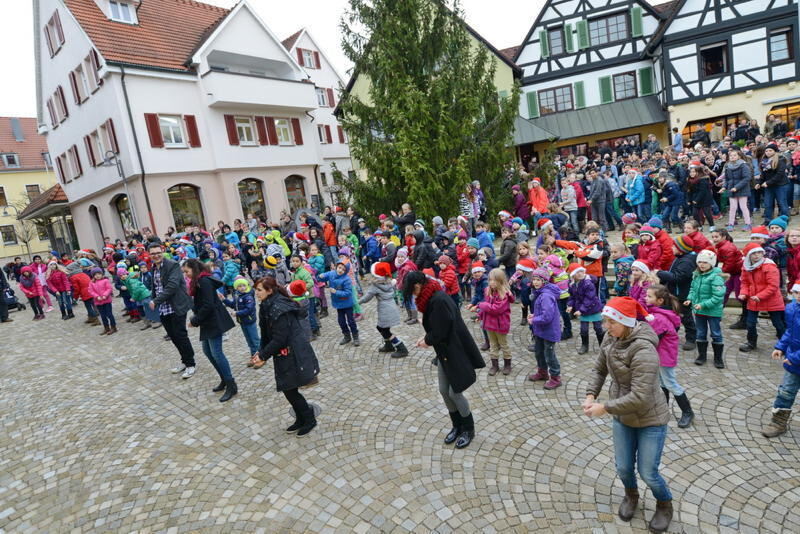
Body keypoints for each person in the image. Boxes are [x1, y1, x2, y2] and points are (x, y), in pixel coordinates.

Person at [584, 296, 673, 533]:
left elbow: (641, 396)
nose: (606, 327)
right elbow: (600, 368)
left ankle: (664, 504)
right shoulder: (611, 337)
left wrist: (605, 407)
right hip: (623, 416)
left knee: (648, 473)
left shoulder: (644, 349)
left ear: (626, 322)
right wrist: (591, 394)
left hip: (650, 419)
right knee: (623, 467)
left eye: (611, 322)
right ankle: (631, 496)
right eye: (605, 321)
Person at [404, 270, 484, 449]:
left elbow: (442, 330)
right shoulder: (429, 297)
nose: (412, 295)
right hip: (444, 352)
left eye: (412, 290)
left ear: (418, 285)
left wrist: (426, 340)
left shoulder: (438, 299)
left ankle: (468, 429)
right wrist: (426, 336)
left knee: (454, 392)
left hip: (455, 351)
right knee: (443, 390)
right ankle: (457, 426)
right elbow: (436, 327)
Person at [254, 276, 321, 436]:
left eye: (259, 290)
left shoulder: (278, 307)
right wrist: (260, 351)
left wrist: (263, 355)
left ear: (269, 291)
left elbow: (279, 338)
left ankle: (309, 419)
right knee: (288, 388)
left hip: (293, 352)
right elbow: (266, 332)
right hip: (284, 352)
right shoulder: (267, 304)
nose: (256, 293)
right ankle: (300, 418)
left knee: (290, 388)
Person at [182, 259, 238, 402]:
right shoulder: (198, 281)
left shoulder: (204, 281)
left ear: (194, 269)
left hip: (214, 321)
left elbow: (208, 305)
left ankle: (231, 384)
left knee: (217, 353)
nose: (186, 275)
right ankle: (224, 379)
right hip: (208, 321)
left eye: (187, 271)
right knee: (208, 352)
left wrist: (194, 320)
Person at [645, 285, 694, 428]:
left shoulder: (659, 318)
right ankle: (663, 408)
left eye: (649, 296)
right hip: (660, 355)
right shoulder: (659, 313)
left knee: (670, 383)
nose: (645, 298)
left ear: (659, 301)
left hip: (665, 356)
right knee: (661, 383)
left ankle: (688, 412)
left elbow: (653, 338)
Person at [148, 243, 197, 379]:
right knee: (173, 336)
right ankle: (184, 361)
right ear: (149, 255)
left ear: (162, 251)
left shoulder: (172, 265)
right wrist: (153, 299)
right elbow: (155, 287)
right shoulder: (153, 268)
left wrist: (155, 301)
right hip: (163, 307)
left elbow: (172, 286)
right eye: (153, 253)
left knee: (180, 335)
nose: (156, 255)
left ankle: (191, 364)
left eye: (158, 252)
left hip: (176, 305)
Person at [763, 280, 800, 437]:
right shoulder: (792, 308)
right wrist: (781, 347)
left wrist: (794, 358)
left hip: (794, 359)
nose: (798, 296)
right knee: (786, 391)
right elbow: (789, 332)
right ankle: (778, 422)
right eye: (796, 292)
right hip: (793, 361)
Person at [739, 242, 786, 352]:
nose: (757, 255)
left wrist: (760, 296)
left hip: (771, 299)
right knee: (750, 323)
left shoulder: (769, 266)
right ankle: (751, 342)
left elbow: (773, 286)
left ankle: (784, 345)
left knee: (778, 323)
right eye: (754, 253)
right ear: (749, 255)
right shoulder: (746, 267)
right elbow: (745, 282)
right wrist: (744, 293)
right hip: (753, 299)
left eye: (759, 252)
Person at [685, 250, 726, 368]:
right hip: (699, 310)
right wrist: (690, 299)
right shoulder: (696, 274)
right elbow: (693, 289)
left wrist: (703, 304)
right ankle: (701, 355)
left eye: (705, 262)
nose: (702, 265)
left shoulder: (716, 277)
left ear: (712, 264)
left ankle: (718, 358)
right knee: (701, 333)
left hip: (713, 311)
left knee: (716, 333)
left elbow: (718, 296)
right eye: (700, 262)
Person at [359, 262, 408, 358]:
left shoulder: (375, 286)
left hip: (385, 310)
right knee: (380, 327)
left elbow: (366, 298)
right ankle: (388, 345)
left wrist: (357, 302)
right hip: (392, 308)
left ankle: (402, 348)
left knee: (385, 331)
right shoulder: (390, 282)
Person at [528, 268, 563, 389]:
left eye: (538, 280)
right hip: (541, 330)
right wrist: (535, 316)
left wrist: (534, 320)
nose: (535, 282)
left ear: (545, 281)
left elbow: (547, 316)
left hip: (549, 331)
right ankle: (542, 372)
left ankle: (555, 377)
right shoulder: (540, 292)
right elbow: (543, 312)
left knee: (549, 355)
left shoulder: (546, 296)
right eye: (534, 279)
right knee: (539, 352)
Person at [478, 268, 514, 376]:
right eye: (490, 280)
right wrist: (480, 315)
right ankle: (495, 365)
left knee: (503, 345)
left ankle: (507, 364)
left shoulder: (504, 294)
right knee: (493, 345)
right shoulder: (488, 291)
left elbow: (496, 309)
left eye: (495, 280)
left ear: (501, 281)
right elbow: (487, 307)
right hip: (489, 324)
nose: (492, 283)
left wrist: (481, 305)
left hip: (500, 324)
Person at [319, 260, 359, 346]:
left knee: (351, 321)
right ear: (337, 267)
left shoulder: (346, 279)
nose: (340, 270)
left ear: (346, 271)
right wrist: (321, 276)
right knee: (341, 321)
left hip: (347, 304)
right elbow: (323, 277)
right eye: (339, 267)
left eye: (343, 269)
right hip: (338, 304)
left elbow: (348, 292)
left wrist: (336, 292)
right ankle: (347, 336)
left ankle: (355, 336)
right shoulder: (332, 273)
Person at [567, 264, 604, 355]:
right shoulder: (572, 285)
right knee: (583, 329)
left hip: (593, 308)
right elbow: (572, 297)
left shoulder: (588, 283)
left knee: (598, 328)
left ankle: (602, 346)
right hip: (582, 310)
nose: (580, 274)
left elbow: (589, 298)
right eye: (577, 272)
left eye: (581, 271)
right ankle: (584, 345)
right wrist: (570, 305)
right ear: (573, 275)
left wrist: (581, 310)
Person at [221, 278, 260, 364]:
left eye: (243, 286)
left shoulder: (248, 296)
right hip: (242, 322)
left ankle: (259, 357)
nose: (242, 288)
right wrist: (224, 299)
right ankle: (254, 355)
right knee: (249, 340)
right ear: (236, 288)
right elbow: (232, 305)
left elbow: (249, 309)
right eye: (239, 286)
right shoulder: (237, 295)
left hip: (249, 321)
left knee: (254, 339)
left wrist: (237, 313)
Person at [88, 267, 116, 335]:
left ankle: (113, 327)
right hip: (98, 302)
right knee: (103, 316)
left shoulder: (105, 280)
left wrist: (105, 295)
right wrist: (97, 296)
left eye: (99, 274)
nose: (97, 276)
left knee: (109, 314)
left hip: (107, 301)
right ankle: (106, 327)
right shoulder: (92, 282)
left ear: (102, 274)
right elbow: (90, 291)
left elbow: (109, 288)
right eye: (95, 274)